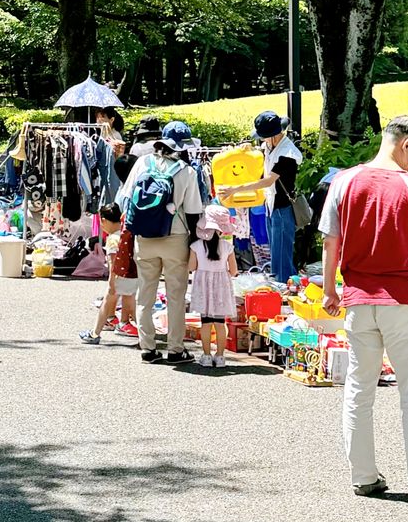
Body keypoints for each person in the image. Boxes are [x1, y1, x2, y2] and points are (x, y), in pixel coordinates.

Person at [319, 115, 408, 503]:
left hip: (359, 302)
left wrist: (331, 289)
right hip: (407, 300)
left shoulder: (344, 181)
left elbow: (331, 243)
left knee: (359, 390)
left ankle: (364, 477)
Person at [119, 124, 205, 366]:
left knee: (145, 294)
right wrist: (193, 245)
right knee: (176, 295)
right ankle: (176, 349)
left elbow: (126, 199)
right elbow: (193, 211)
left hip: (144, 238)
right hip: (174, 237)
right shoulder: (186, 172)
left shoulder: (142, 163)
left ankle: (148, 348)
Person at [221, 110, 303, 289]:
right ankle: (286, 289)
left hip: (282, 209)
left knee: (281, 257)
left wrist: (235, 189)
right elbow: (259, 157)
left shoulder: (288, 154)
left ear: (272, 135)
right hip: (270, 207)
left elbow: (268, 181)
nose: (261, 140)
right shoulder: (271, 146)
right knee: (277, 256)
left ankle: (284, 291)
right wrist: (246, 150)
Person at [79, 202, 138, 344]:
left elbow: (112, 263)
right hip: (131, 275)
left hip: (118, 277)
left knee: (106, 304)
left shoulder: (112, 239)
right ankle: (145, 333)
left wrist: (111, 282)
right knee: (132, 305)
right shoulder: (126, 233)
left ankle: (95, 333)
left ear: (104, 221)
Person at [189, 203, 239, 368]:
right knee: (219, 324)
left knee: (205, 323)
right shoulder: (227, 247)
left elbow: (191, 267)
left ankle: (206, 355)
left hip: (203, 287)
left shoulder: (196, 246)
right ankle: (220, 356)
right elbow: (233, 271)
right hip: (221, 287)